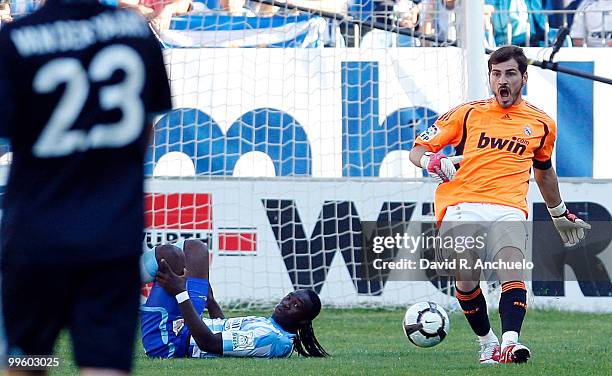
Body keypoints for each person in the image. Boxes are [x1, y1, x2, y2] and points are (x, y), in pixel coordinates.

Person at [0, 1, 172, 373]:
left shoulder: (16, 38)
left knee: (28, 358)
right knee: (104, 364)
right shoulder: (135, 33)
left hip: (37, 233)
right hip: (110, 235)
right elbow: (146, 128)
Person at [408, 45, 590, 365]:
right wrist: (433, 161)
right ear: (490, 78)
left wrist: (558, 212)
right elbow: (417, 150)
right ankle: (487, 342)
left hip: (508, 204)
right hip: (462, 201)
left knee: (511, 267)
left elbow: (544, 172)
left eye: (509, 74)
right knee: (466, 278)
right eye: (496, 74)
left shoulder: (542, 124)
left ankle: (510, 343)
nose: (502, 81)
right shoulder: (467, 113)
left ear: (524, 78)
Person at [141, 239, 328, 358]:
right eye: (290, 297)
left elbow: (210, 344)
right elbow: (223, 332)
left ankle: (118, 285)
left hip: (169, 342)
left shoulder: (272, 338)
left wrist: (180, 293)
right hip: (187, 324)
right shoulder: (268, 324)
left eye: (296, 305)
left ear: (303, 320)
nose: (287, 303)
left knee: (170, 256)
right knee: (197, 249)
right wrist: (212, 303)